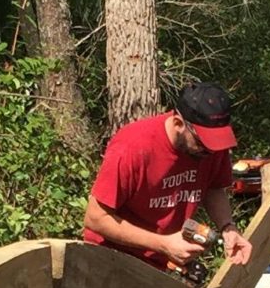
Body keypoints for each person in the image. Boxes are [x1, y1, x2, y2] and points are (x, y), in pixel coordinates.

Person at [81, 81, 256, 277]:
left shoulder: (211, 148)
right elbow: (95, 219)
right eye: (202, 143)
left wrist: (228, 227)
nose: (210, 151)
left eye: (215, 144)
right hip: (111, 260)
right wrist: (163, 244)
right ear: (178, 124)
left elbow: (213, 187)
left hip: (160, 263)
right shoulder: (132, 147)